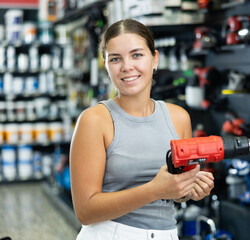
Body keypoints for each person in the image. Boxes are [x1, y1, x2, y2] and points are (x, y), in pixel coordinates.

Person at [70, 18, 215, 240]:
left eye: (137, 55)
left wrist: (190, 190)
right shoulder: (94, 120)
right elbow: (85, 212)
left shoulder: (179, 118)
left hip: (166, 233)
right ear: (106, 64)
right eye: (116, 58)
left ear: (154, 59)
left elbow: (177, 194)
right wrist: (155, 189)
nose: (127, 66)